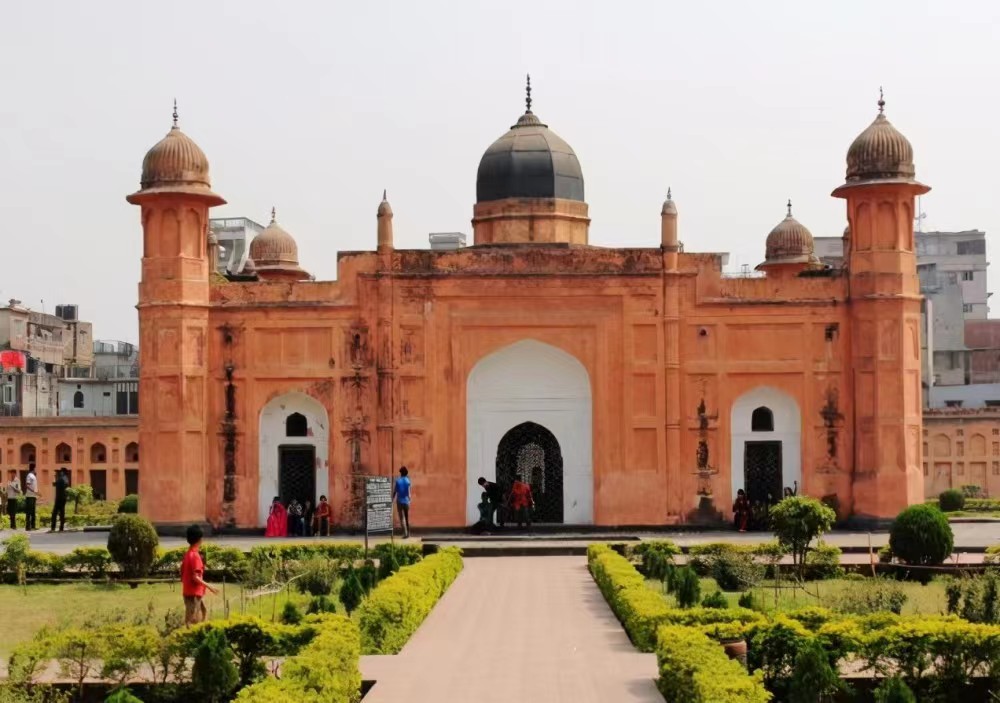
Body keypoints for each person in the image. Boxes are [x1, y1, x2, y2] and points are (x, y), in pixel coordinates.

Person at [181, 524, 218, 625]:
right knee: (193, 621)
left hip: (188, 592)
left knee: (203, 613)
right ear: (200, 539)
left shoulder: (188, 554)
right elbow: (195, 577)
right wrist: (210, 586)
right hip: (193, 594)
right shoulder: (195, 556)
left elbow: (183, 573)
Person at [392, 466, 411, 539]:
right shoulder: (408, 481)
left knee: (402, 518)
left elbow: (395, 492)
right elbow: (409, 493)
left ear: (401, 473)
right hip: (406, 501)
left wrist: (392, 499)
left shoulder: (398, 481)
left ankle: (405, 533)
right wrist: (409, 499)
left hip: (399, 501)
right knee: (407, 518)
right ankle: (408, 533)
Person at [50, 468, 69, 532]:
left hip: (59, 498)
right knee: (61, 513)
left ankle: (53, 527)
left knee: (55, 513)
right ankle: (61, 528)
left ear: (63, 472)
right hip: (63, 498)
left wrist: (55, 477)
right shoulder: (64, 478)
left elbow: (53, 484)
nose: (59, 473)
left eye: (61, 472)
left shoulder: (61, 479)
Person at [24, 464, 38, 531]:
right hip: (29, 496)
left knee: (33, 512)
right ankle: (28, 527)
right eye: (36, 468)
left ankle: (33, 526)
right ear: (34, 468)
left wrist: (36, 492)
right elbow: (27, 485)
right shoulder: (29, 475)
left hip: (33, 496)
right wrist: (34, 491)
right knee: (29, 512)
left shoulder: (33, 476)